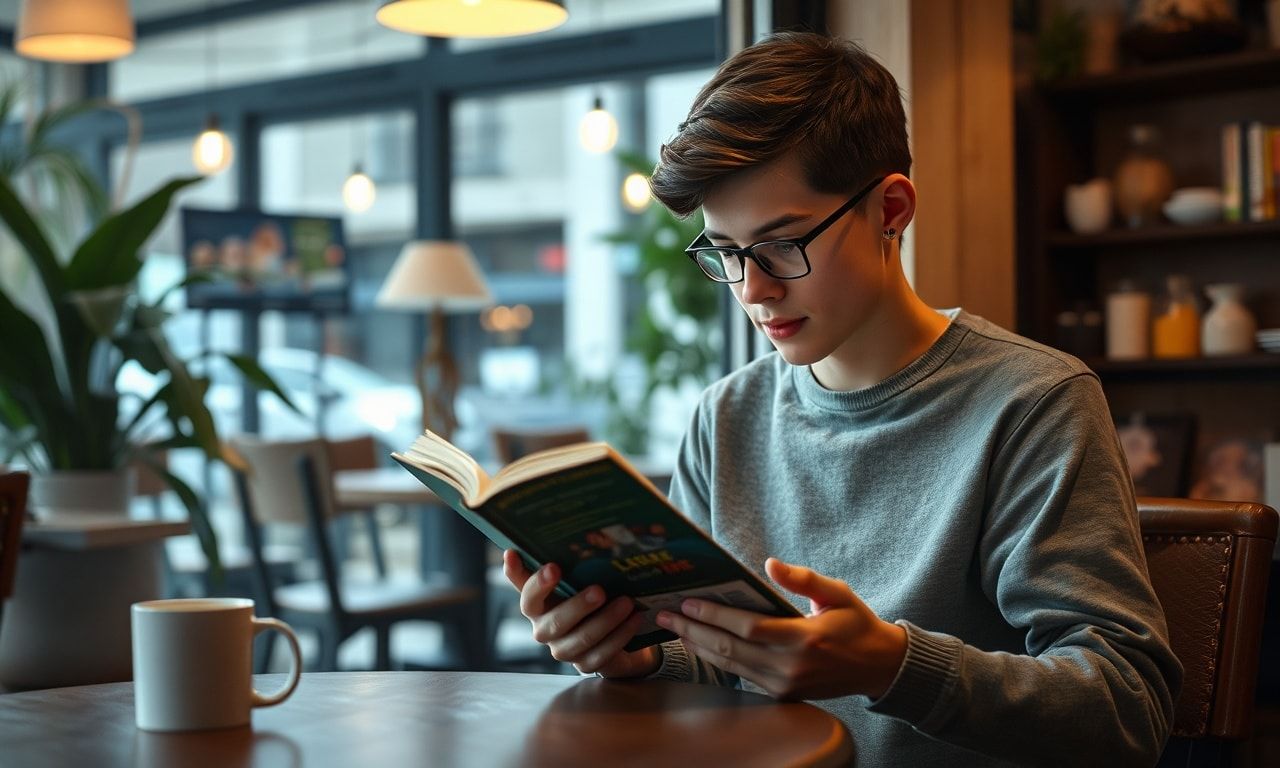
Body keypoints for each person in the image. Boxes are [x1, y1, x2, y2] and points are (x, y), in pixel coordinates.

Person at [503, 31, 1181, 766]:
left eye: (783, 243)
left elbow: (1127, 708)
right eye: (724, 252)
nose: (753, 290)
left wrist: (891, 667)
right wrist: (637, 659)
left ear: (891, 209)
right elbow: (718, 664)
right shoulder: (724, 417)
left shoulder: (1034, 403)